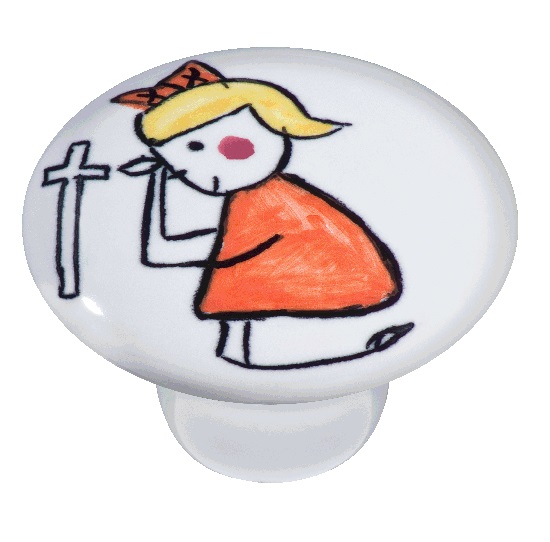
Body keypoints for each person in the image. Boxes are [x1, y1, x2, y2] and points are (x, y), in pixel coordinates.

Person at [114, 61, 413, 368]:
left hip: (325, 302)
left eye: (196, 146)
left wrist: (156, 184)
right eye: (180, 168)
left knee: (238, 326)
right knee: (233, 330)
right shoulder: (255, 200)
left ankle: (341, 347)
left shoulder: (277, 203)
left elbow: (166, 252)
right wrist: (157, 183)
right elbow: (180, 249)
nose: (198, 174)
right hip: (284, 317)